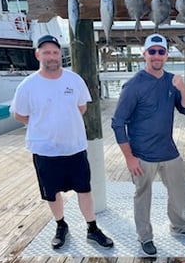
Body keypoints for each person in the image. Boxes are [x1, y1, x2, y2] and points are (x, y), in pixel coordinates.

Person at [10, 34, 114, 250]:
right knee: (52, 192)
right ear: (38, 54)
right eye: (46, 52)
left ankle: (92, 228)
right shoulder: (27, 85)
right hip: (44, 150)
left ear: (60, 54)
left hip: (75, 147)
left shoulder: (74, 80)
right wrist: (42, 124)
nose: (51, 56)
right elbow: (19, 114)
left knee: (84, 189)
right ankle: (60, 225)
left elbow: (82, 107)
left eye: (55, 52)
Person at [111, 33, 185, 256]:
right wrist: (129, 158)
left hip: (168, 151)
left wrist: (182, 88)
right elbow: (117, 122)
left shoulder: (172, 81)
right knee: (143, 196)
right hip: (141, 154)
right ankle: (145, 237)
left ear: (167, 55)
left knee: (179, 190)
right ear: (145, 55)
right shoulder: (133, 85)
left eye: (161, 52)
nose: (157, 56)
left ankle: (179, 226)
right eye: (152, 51)